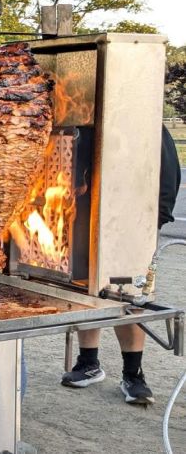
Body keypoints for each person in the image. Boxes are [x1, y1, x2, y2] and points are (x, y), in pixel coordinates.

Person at [61, 125, 181, 405]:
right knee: (86, 293)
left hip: (132, 226)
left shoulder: (145, 122)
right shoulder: (84, 125)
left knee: (131, 298)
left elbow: (168, 178)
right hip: (84, 223)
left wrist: (154, 222)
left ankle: (133, 373)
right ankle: (88, 361)